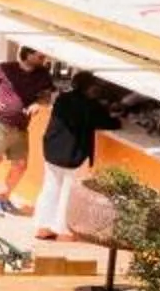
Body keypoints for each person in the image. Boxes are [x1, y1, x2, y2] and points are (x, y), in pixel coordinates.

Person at [32, 72, 116, 240]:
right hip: (74, 155)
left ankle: (42, 227)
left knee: (50, 189)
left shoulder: (62, 99)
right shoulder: (91, 105)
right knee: (69, 194)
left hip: (53, 151)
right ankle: (63, 230)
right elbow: (109, 122)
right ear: (88, 88)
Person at [0, 45, 53, 214]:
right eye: (40, 56)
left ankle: (3, 197)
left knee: (20, 165)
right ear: (28, 55)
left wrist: (38, 103)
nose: (44, 59)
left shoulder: (43, 74)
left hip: (21, 127)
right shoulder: (5, 68)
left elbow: (46, 96)